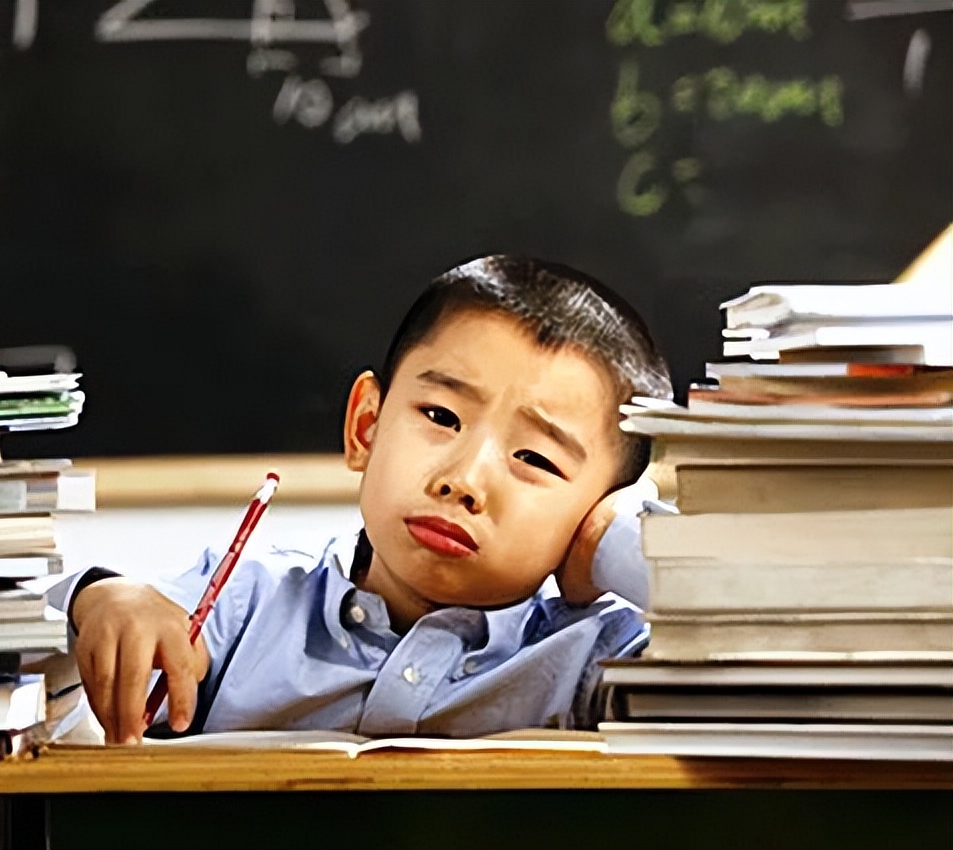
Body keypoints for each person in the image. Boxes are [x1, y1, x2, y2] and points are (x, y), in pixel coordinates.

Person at [66, 254, 673, 744]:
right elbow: (31, 651)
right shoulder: (244, 602)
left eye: (535, 459)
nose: (464, 479)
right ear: (366, 427)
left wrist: (623, 543)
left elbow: (764, 680)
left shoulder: (595, 659)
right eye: (440, 416)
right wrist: (100, 597)